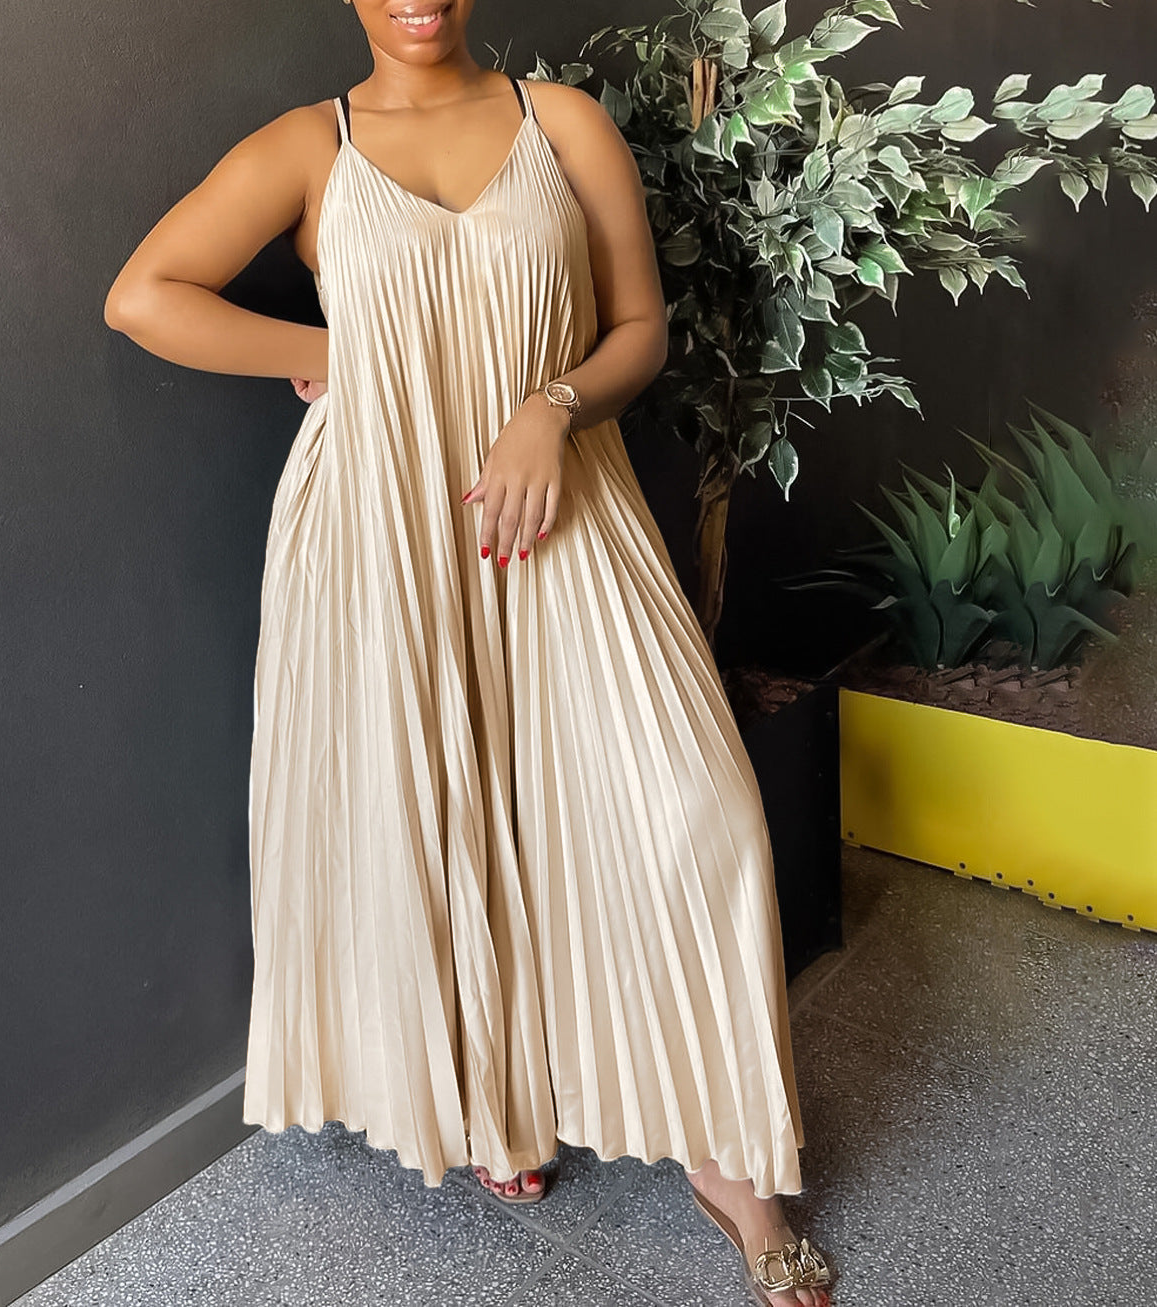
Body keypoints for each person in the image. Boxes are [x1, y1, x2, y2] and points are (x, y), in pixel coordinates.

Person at [103, 2, 834, 1303]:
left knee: (695, 814)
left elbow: (638, 329)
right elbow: (143, 296)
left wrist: (551, 407)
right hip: (382, 533)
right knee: (447, 819)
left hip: (569, 513)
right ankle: (497, 1105)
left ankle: (736, 1166)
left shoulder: (564, 125)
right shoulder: (306, 147)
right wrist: (337, 357)